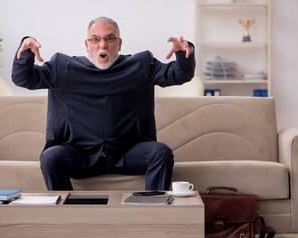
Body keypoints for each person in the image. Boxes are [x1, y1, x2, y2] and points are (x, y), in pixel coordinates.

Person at [12, 16, 195, 191]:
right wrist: (26, 50)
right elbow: (23, 78)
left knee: (160, 153)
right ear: (86, 44)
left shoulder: (141, 65)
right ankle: (68, 216)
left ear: (119, 43)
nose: (102, 44)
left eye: (110, 38)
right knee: (50, 157)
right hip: (78, 155)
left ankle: (151, 212)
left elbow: (179, 74)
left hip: (127, 154)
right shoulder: (63, 67)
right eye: (95, 39)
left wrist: (182, 52)